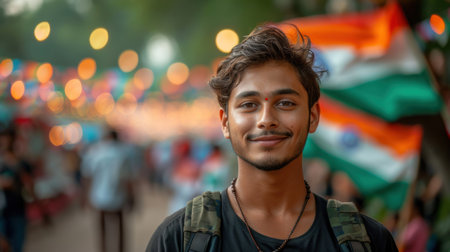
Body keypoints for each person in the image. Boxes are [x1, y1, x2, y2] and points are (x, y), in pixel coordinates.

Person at [146, 24, 398, 251]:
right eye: (248, 104)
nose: (266, 119)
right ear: (225, 122)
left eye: (286, 103)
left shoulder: (368, 241)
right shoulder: (177, 240)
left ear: (312, 116)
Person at [81, 129, 136, 252]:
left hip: (98, 197)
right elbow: (127, 178)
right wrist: (132, 197)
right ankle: (121, 249)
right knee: (120, 228)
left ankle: (103, 249)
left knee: (101, 229)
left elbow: (87, 176)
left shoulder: (95, 152)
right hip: (118, 196)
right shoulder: (123, 153)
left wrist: (85, 196)